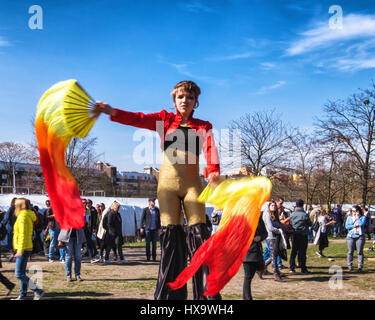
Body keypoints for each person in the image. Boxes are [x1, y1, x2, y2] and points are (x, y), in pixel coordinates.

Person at [93, 80, 221, 300]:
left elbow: (211, 150)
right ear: (174, 100)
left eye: (189, 97)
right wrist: (111, 111)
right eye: (180, 97)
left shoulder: (203, 126)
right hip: (168, 187)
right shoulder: (164, 120)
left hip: (193, 186)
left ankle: (207, 297)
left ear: (195, 101)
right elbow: (138, 118)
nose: (185, 101)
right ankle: (170, 297)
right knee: (172, 237)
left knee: (200, 235)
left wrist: (213, 172)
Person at [12, 198, 44, 300]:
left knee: (18, 274)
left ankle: (38, 290)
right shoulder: (26, 215)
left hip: (23, 247)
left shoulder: (23, 217)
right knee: (21, 272)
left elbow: (23, 235)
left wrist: (19, 250)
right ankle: (23, 294)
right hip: (25, 247)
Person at [242, 217, 267, 300]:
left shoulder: (259, 219)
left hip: (257, 252)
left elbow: (265, 233)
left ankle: (245, 296)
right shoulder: (243, 219)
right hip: (247, 253)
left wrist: (260, 237)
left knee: (250, 276)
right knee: (248, 277)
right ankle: (247, 298)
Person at [262, 201, 285, 282]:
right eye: (272, 205)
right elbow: (270, 228)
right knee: (274, 255)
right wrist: (280, 231)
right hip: (270, 237)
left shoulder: (275, 214)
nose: (274, 207)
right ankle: (276, 274)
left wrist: (285, 227)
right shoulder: (267, 214)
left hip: (276, 237)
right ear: (269, 206)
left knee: (274, 254)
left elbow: (278, 224)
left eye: (275, 205)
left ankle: (261, 268)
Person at [289, 199, 311, 274]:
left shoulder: (292, 214)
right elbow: (309, 223)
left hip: (295, 234)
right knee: (302, 252)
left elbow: (291, 223)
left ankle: (292, 267)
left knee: (294, 251)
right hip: (303, 234)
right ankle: (303, 268)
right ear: (302, 205)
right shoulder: (304, 214)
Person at [345, 205, 366, 272]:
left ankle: (360, 266)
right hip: (350, 236)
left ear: (359, 211)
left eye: (356, 211)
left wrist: (357, 217)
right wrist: (354, 225)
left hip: (360, 237)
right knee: (350, 251)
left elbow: (361, 224)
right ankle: (350, 266)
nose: (354, 212)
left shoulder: (363, 217)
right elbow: (347, 227)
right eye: (353, 211)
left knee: (359, 252)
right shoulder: (349, 218)